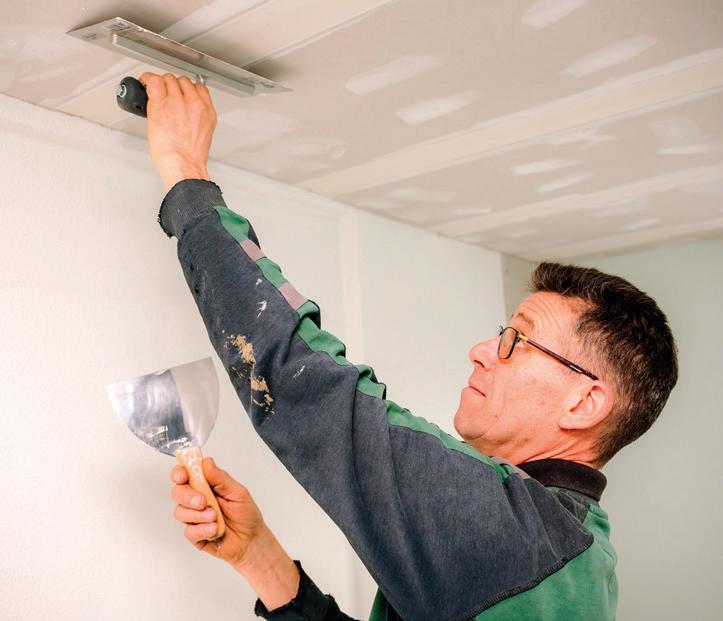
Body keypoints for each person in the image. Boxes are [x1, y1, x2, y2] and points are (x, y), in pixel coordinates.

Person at [139, 71, 679, 620]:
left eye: (517, 341)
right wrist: (260, 557)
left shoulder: (515, 533)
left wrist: (185, 174)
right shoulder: (577, 552)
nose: (481, 350)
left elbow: (312, 391)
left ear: (584, 403)